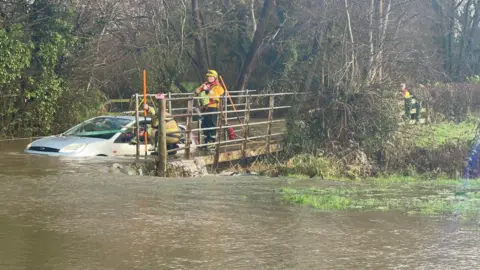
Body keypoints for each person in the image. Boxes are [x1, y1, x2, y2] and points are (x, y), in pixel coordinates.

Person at [195, 70, 225, 146]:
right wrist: (201, 88)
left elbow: (215, 96)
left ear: (215, 77)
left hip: (213, 107)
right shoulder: (205, 84)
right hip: (204, 108)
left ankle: (212, 142)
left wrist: (207, 90)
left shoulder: (218, 87)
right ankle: (206, 141)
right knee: (204, 124)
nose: (209, 78)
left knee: (212, 124)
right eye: (208, 76)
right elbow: (197, 91)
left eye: (211, 76)